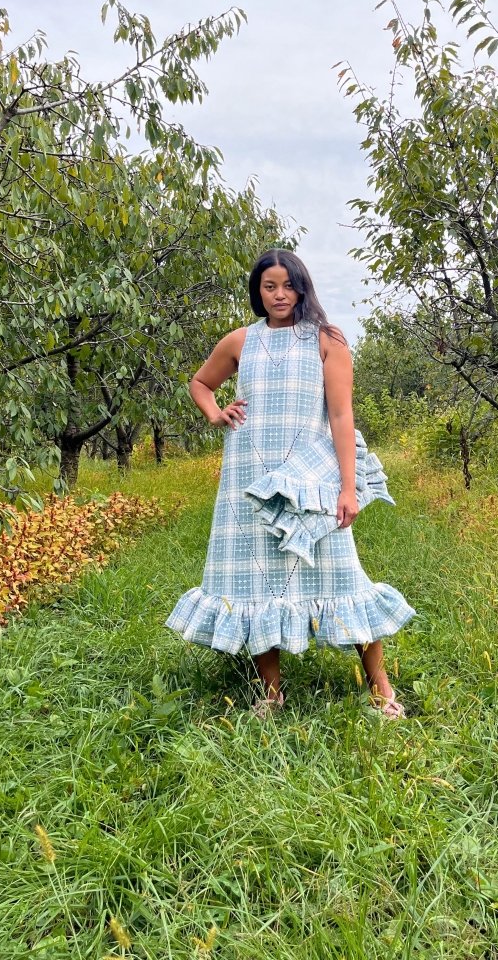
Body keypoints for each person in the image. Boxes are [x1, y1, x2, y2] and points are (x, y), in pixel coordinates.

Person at [165, 248, 415, 717]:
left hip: (311, 478)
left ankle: (382, 690)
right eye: (269, 286)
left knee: (343, 578)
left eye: (288, 285)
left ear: (303, 286)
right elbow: (200, 383)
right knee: (254, 581)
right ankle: (272, 695)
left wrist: (346, 486)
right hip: (249, 478)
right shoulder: (240, 341)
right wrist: (216, 413)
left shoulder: (326, 340)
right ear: (258, 292)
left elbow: (342, 416)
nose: (280, 295)